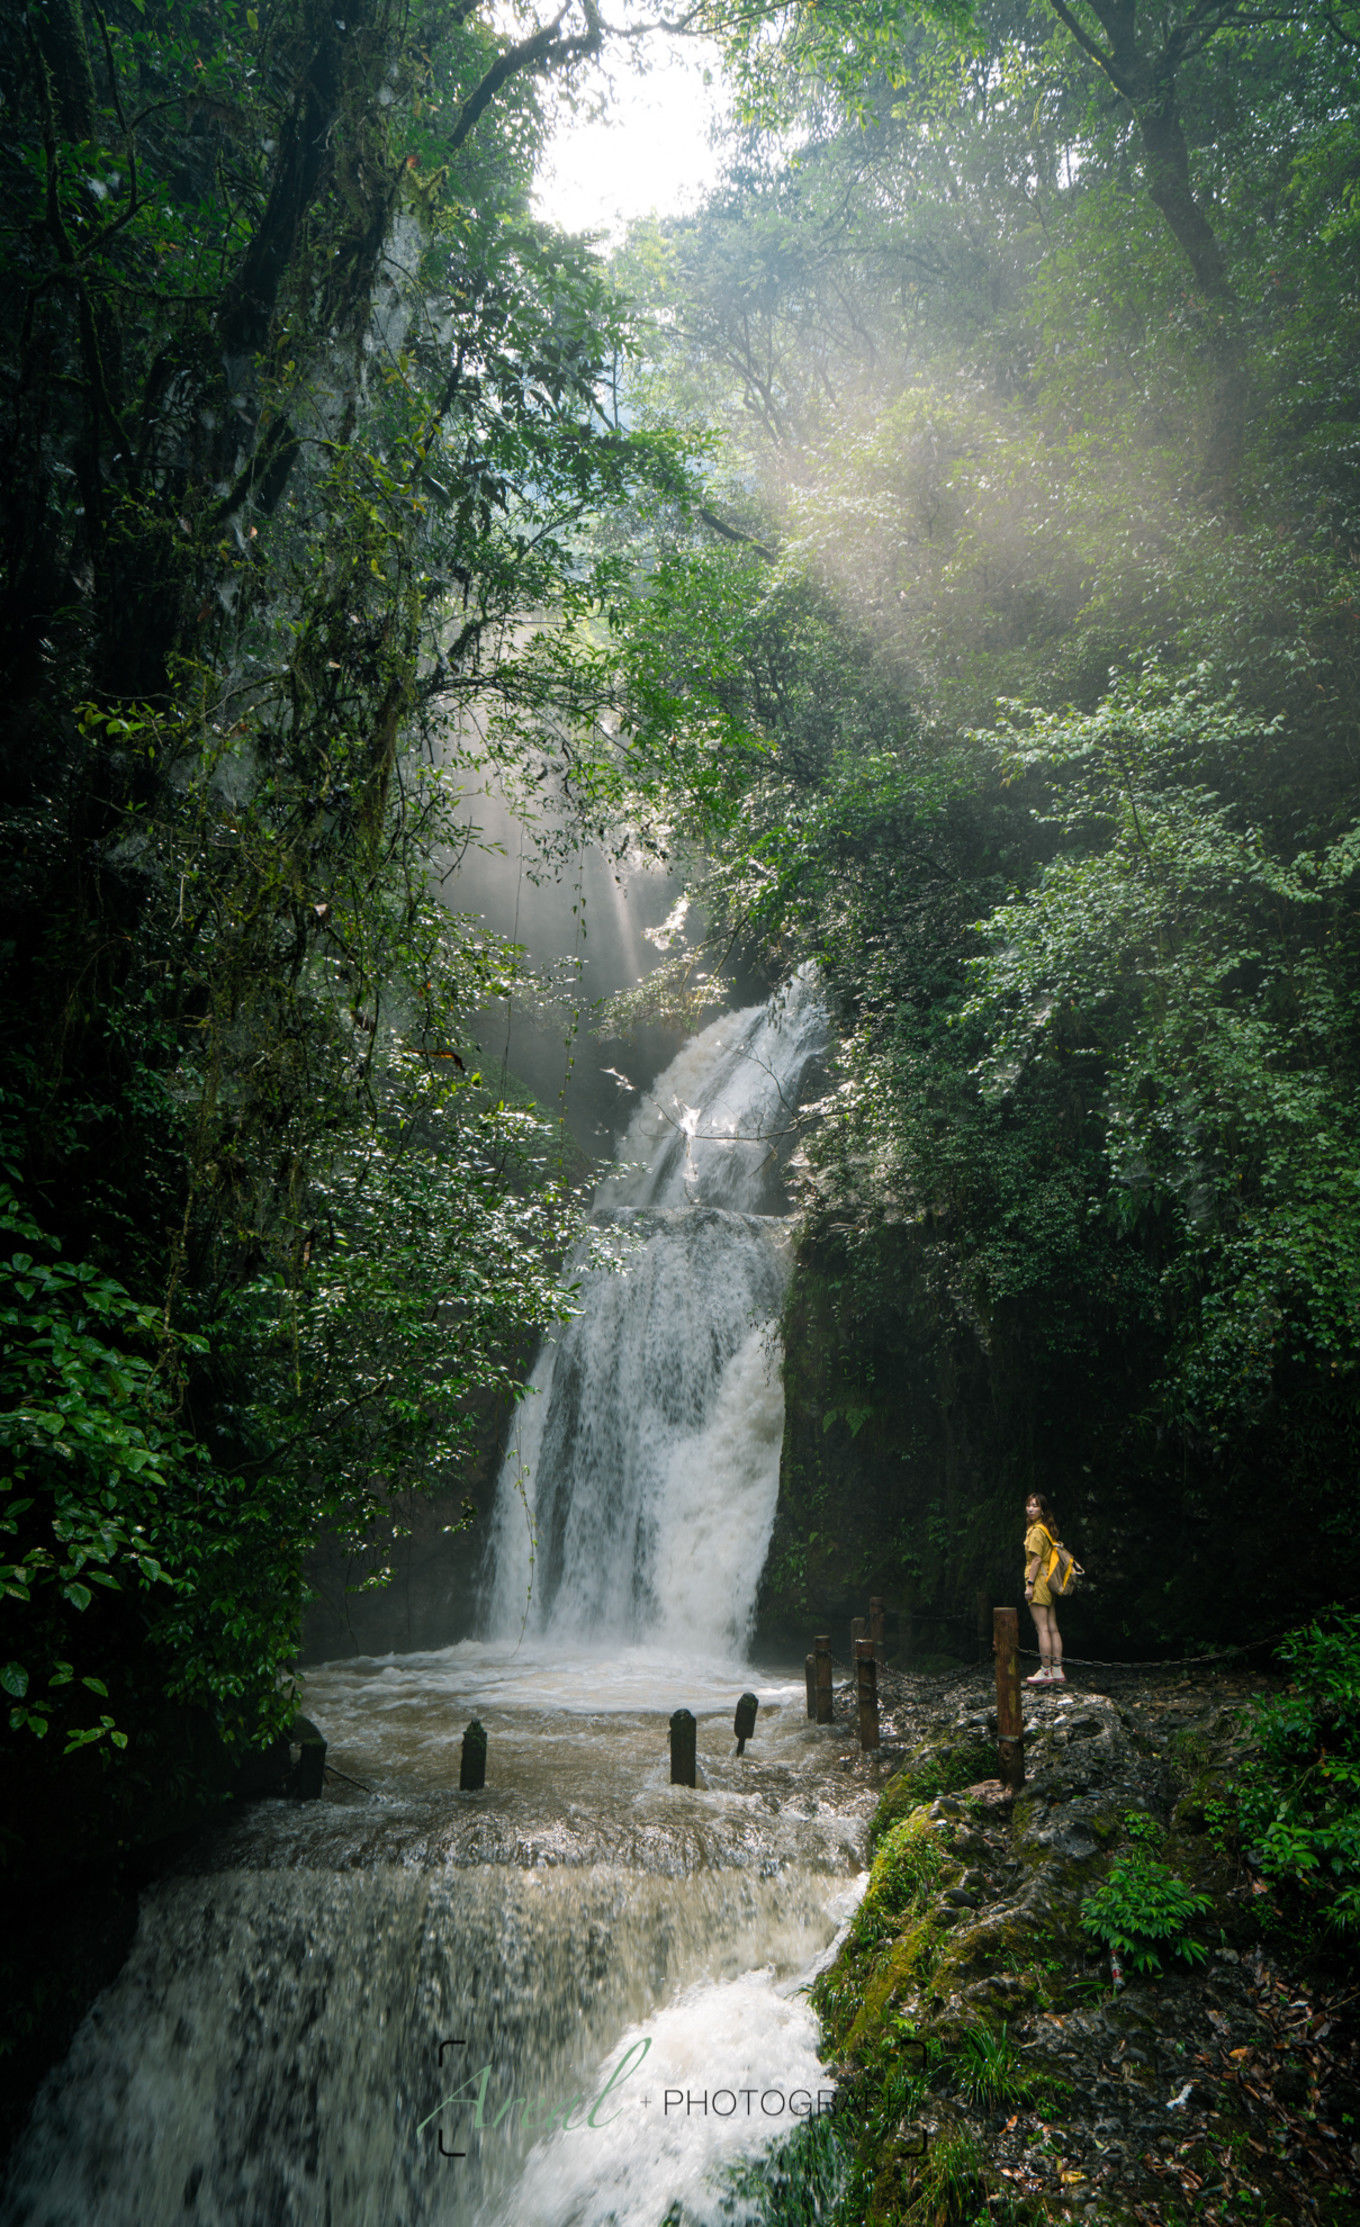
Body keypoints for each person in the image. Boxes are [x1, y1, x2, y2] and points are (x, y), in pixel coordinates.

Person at [1023, 1492, 1066, 1685]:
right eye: (1029, 1505)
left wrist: (1030, 1585)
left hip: (1039, 1581)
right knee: (1052, 1628)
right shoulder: (1047, 1529)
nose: (1031, 1509)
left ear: (1042, 1510)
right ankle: (1057, 1670)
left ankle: (1046, 1671)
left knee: (1042, 1629)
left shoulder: (1036, 1531)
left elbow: (1036, 1559)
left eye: (1035, 1506)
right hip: (1049, 1581)